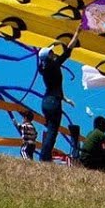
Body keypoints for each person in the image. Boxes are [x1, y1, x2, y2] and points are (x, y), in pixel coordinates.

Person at [37, 27, 81, 161]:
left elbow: (55, 86)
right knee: (52, 131)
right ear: (49, 56)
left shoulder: (43, 68)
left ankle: (45, 156)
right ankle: (44, 158)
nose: (53, 53)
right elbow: (68, 51)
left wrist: (65, 98)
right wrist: (77, 33)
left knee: (50, 129)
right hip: (54, 102)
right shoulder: (54, 65)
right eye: (51, 53)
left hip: (46, 101)